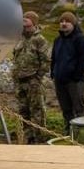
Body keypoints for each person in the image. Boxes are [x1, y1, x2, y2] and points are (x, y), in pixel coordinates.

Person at [10, 11, 49, 143]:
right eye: (24, 17)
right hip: (19, 81)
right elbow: (15, 57)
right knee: (23, 110)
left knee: (37, 110)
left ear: (34, 22)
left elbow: (46, 61)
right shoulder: (19, 38)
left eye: (27, 18)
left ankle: (40, 138)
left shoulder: (40, 40)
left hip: (33, 81)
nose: (24, 19)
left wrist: (37, 78)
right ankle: (27, 138)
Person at [50, 10, 84, 128]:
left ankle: (83, 133)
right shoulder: (57, 40)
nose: (64, 24)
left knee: (79, 109)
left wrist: (76, 76)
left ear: (73, 23)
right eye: (62, 21)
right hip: (59, 80)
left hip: (75, 81)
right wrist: (53, 72)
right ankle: (69, 132)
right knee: (66, 110)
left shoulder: (81, 39)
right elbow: (54, 58)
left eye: (67, 21)